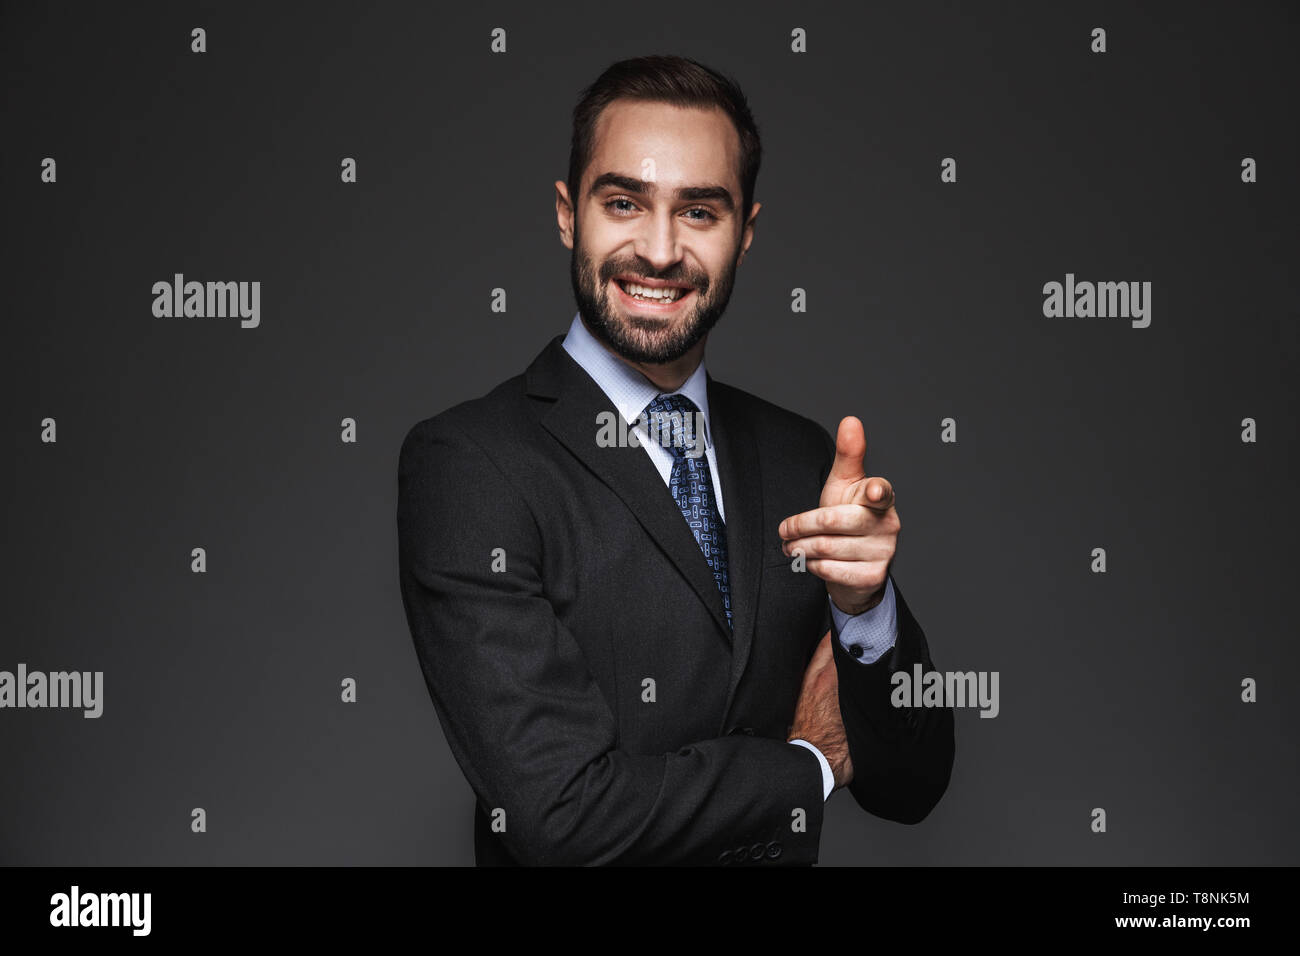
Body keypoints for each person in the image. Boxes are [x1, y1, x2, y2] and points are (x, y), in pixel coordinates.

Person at [397, 54, 954, 866]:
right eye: (623, 202)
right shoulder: (470, 466)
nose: (658, 252)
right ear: (567, 214)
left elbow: (913, 785)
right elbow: (560, 818)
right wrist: (806, 766)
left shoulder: (803, 458)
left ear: (746, 233)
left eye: (699, 212)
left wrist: (864, 607)